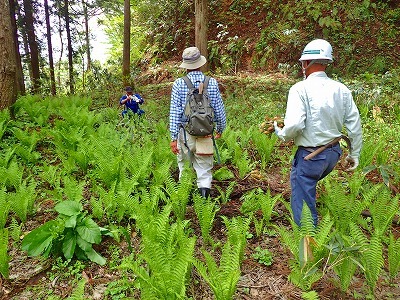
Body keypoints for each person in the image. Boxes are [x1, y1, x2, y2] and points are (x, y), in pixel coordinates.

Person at [274, 39, 362, 227]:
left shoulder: (300, 89)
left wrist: (282, 134)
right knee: (308, 187)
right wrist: (354, 154)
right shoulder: (341, 89)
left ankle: (308, 246)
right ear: (326, 63)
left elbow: (295, 124)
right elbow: (354, 124)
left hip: (311, 156)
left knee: (303, 203)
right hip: (332, 154)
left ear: (306, 63)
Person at [169, 46, 226, 199]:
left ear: (185, 66)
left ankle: (184, 201)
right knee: (204, 169)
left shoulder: (179, 84)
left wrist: (173, 138)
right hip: (206, 134)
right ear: (200, 64)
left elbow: (174, 112)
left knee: (184, 167)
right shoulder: (211, 82)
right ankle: (204, 203)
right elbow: (219, 108)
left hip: (185, 134)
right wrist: (220, 128)